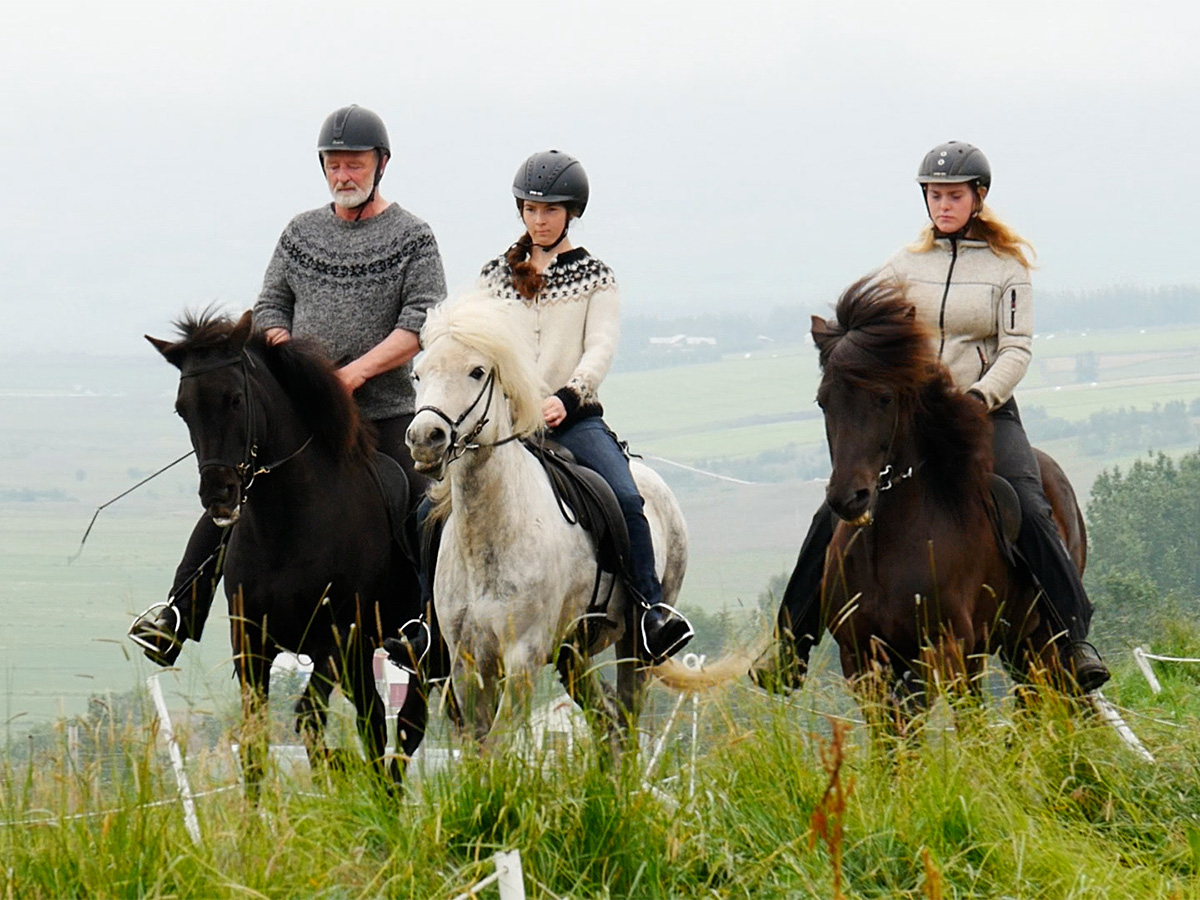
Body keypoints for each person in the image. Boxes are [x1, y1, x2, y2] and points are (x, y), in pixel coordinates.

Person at [754, 140, 1110, 694]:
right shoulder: (903, 266)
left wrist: (979, 397)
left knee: (1031, 503)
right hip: (914, 415)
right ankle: (791, 645)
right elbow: (875, 336)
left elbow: (1016, 349)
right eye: (935, 195)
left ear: (978, 198)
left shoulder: (1006, 268)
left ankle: (1070, 638)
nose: (943, 205)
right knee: (835, 512)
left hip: (982, 411)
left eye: (954, 196)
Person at [130, 104, 445, 665]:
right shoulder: (300, 233)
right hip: (303, 413)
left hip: (383, 411)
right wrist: (291, 357)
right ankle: (178, 612)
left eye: (355, 164)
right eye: (334, 165)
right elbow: (271, 304)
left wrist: (353, 374)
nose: (344, 176)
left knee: (423, 506)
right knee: (231, 494)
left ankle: (428, 629)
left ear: (381, 165)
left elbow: (421, 322)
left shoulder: (413, 237)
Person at [478, 149, 692, 661]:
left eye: (549, 210)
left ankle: (649, 611)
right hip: (505, 425)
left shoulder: (595, 276)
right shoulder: (495, 275)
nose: (538, 219)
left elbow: (600, 345)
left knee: (624, 497)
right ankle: (425, 623)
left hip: (570, 421)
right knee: (433, 507)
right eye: (529, 209)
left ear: (571, 212)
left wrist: (567, 397)